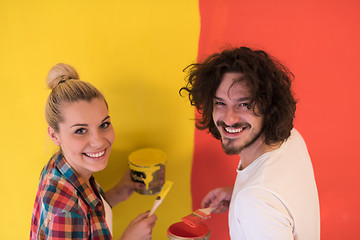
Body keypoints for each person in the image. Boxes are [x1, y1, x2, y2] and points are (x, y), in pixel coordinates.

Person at [180, 47, 320, 239]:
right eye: (220, 103)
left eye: (244, 104)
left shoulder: (255, 202)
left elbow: (261, 199)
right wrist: (237, 192)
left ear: (269, 106)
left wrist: (246, 198)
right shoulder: (291, 138)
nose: (229, 119)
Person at [30, 63, 157, 240]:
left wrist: (118, 192)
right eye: (80, 130)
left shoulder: (61, 165)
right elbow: (75, 213)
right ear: (54, 135)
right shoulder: (65, 212)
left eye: (104, 125)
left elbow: (86, 214)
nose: (98, 142)